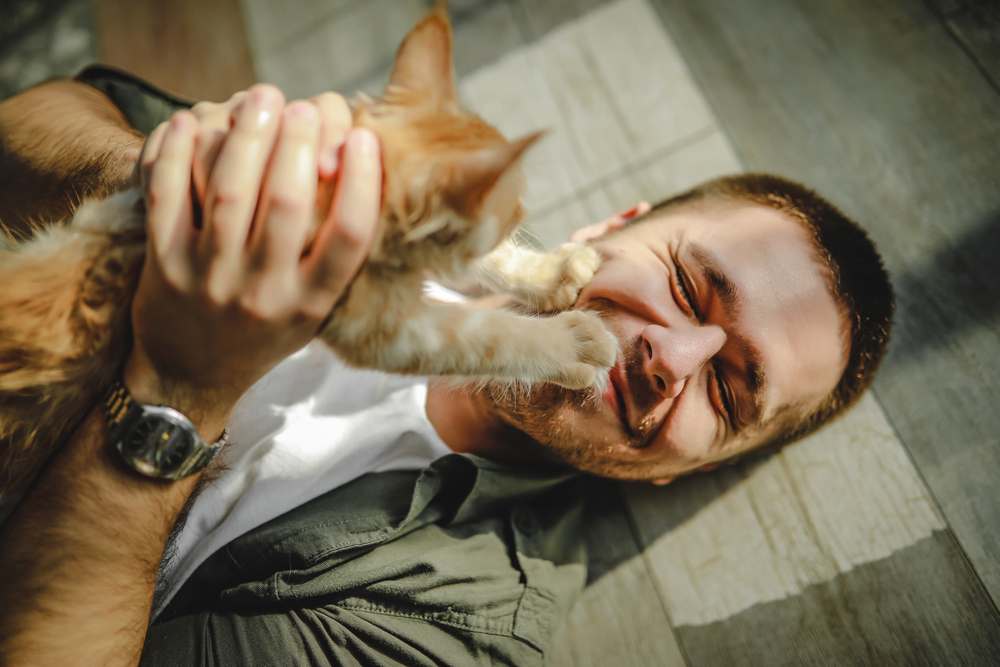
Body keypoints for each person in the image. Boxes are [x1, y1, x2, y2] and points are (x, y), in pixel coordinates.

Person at [0, 74, 892, 666]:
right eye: (689, 284)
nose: (673, 357)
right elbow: (35, 122)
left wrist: (180, 398)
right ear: (605, 228)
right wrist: (156, 183)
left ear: (687, 467)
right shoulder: (409, 182)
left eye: (731, 391)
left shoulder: (467, 628)